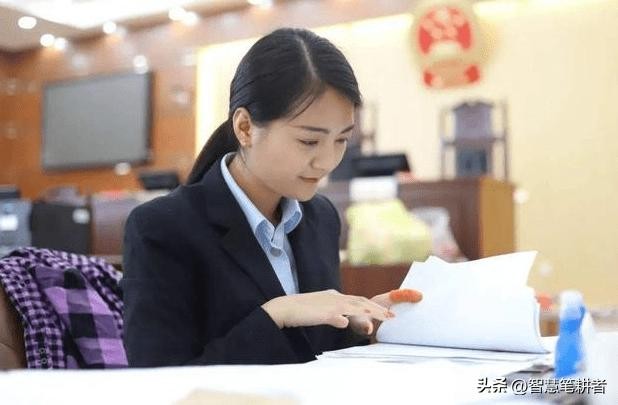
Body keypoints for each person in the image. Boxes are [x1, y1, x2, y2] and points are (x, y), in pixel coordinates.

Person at [121, 28, 422, 367]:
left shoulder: (320, 217)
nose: (327, 162)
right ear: (245, 128)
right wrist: (277, 314)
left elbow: (312, 353)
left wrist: (357, 323)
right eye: (309, 141)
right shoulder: (162, 228)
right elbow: (157, 379)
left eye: (341, 140)